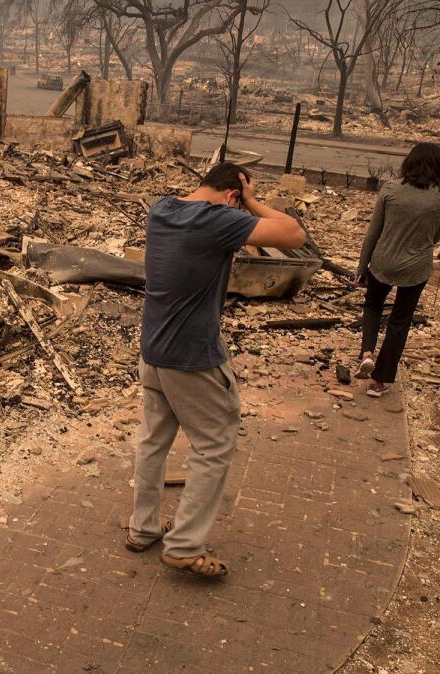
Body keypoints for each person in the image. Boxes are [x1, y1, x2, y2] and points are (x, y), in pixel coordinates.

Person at [127, 163, 306, 578]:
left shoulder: (161, 209)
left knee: (154, 441)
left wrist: (238, 199)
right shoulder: (218, 220)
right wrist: (253, 201)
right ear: (232, 195)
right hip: (192, 358)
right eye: (239, 200)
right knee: (215, 444)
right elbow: (294, 234)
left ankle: (144, 528)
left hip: (153, 350)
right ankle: (185, 544)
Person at [355, 143, 440, 397]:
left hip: (382, 261)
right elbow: (438, 235)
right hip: (416, 267)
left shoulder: (390, 189)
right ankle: (380, 381)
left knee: (373, 305)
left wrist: (362, 265)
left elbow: (373, 232)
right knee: (400, 320)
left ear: (409, 163)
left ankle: (367, 352)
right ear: (438, 167)